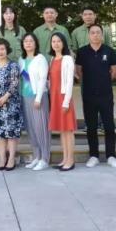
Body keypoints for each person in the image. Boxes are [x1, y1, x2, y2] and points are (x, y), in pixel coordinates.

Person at [75, 24, 116, 169]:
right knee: (91, 127)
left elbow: (114, 71)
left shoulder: (109, 51)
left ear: (102, 34)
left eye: (98, 32)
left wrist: (103, 82)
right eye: (92, 33)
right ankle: (93, 155)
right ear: (89, 35)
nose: (95, 35)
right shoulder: (82, 52)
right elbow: (79, 72)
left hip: (106, 95)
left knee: (109, 126)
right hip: (88, 95)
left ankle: (111, 156)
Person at [0, 38, 23, 171]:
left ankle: (11, 158)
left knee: (11, 132)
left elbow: (14, 83)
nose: (0, 52)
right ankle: (2, 158)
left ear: (7, 50)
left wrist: (4, 98)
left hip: (11, 103)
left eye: (2, 49)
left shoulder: (13, 65)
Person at [18, 33, 50, 171]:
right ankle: (36, 156)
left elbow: (43, 79)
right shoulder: (21, 59)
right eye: (26, 41)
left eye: (31, 41)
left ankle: (45, 159)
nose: (28, 43)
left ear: (35, 43)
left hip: (38, 97)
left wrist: (38, 98)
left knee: (41, 128)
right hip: (25, 97)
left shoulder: (40, 58)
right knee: (31, 129)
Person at [48, 32, 77, 171]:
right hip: (54, 98)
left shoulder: (67, 59)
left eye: (59, 41)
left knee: (68, 130)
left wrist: (66, 102)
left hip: (64, 97)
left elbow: (70, 82)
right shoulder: (52, 59)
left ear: (63, 43)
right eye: (53, 41)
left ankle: (71, 160)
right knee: (61, 130)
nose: (56, 44)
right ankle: (65, 158)